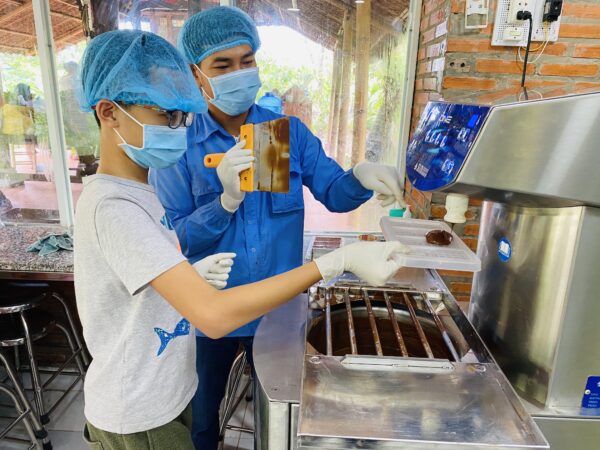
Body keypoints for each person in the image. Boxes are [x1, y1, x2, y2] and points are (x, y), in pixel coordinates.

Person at [74, 29, 404, 450]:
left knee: (280, 416)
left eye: (247, 60)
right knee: (203, 424)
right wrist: (225, 203)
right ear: (195, 74)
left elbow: (156, 249)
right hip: (203, 319)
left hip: (276, 310)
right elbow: (175, 241)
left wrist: (359, 177)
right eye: (223, 64)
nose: (239, 73)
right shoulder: (176, 147)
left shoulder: (280, 135)